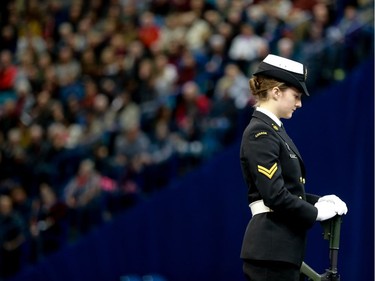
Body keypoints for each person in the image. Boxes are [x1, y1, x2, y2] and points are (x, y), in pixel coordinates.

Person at [239, 54, 348, 281]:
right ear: (276, 92)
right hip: (269, 249)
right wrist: (316, 212)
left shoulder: (274, 130)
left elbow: (288, 191)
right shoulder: (260, 132)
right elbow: (275, 196)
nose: (299, 103)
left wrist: (317, 200)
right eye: (296, 96)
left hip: (280, 249)